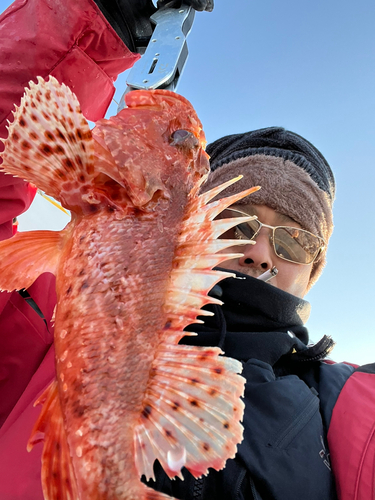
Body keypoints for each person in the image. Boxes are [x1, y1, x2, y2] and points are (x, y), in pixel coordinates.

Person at [0, 1, 373, 500]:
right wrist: (96, 19)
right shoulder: (42, 318)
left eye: (295, 240)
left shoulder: (356, 411)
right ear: (195, 227)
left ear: (316, 268)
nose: (261, 253)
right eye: (238, 222)